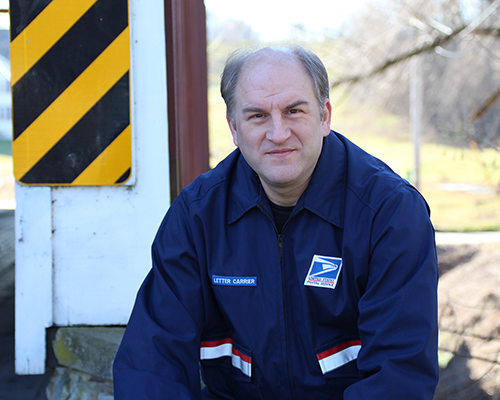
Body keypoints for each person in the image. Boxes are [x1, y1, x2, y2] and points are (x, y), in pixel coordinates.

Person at [113, 44, 439, 400]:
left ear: (325, 116)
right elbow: (152, 362)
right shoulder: (197, 216)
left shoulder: (389, 213)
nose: (278, 133)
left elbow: (399, 376)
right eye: (257, 116)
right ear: (234, 127)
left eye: (294, 110)